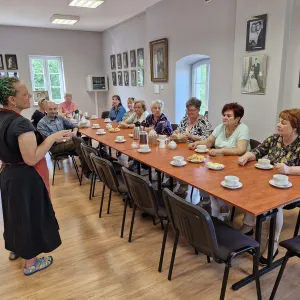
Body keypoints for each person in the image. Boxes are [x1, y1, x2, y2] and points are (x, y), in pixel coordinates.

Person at [0, 77, 71, 275]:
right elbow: (32, 158)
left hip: (8, 174)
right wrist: (52, 138)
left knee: (13, 214)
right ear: (11, 99)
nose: (30, 95)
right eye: (25, 93)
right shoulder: (20, 124)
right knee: (28, 217)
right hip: (25, 178)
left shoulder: (1, 117)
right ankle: (30, 263)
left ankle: (15, 249)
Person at [238, 109, 300, 265]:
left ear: (295, 127)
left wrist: (289, 170)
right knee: (250, 188)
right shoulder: (275, 139)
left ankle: (273, 244)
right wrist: (246, 156)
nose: (278, 125)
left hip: (291, 189)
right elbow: (258, 151)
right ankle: (248, 225)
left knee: (275, 205)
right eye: (279, 121)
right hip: (269, 182)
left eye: (283, 123)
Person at [189, 103, 250, 213]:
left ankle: (221, 207)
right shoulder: (221, 127)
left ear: (237, 118)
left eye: (229, 116)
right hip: (220, 163)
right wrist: (197, 143)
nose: (225, 117)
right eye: (224, 115)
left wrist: (220, 151)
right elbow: (208, 142)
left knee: (212, 177)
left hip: (238, 166)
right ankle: (211, 202)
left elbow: (240, 150)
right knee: (203, 174)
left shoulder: (243, 129)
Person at [163, 97, 212, 196]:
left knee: (182, 159)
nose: (189, 113)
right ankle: (172, 178)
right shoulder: (185, 119)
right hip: (182, 146)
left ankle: (183, 184)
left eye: (192, 110)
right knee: (169, 155)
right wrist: (176, 132)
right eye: (188, 110)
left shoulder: (204, 122)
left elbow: (208, 139)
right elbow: (178, 130)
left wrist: (191, 136)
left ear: (198, 109)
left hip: (196, 150)